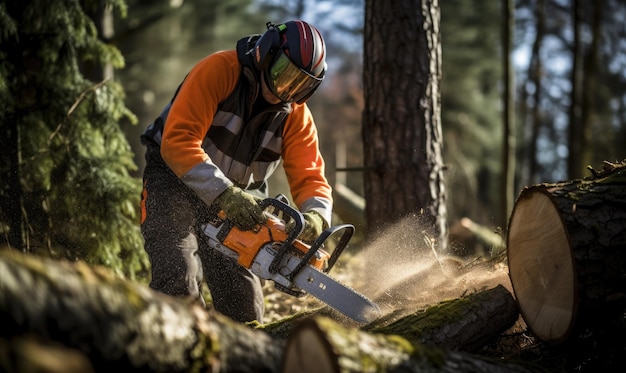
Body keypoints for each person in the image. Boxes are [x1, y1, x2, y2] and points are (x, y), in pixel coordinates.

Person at [139, 20, 333, 323]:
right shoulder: (219, 71)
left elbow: (311, 176)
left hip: (241, 202)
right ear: (268, 52)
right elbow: (177, 142)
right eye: (285, 74)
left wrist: (317, 216)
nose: (287, 89)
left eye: (299, 84)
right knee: (179, 279)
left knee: (244, 306)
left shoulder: (297, 117)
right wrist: (224, 194)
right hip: (174, 180)